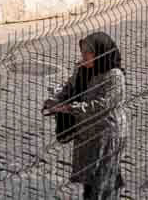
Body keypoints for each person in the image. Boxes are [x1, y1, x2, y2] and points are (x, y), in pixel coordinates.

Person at [44, 32, 125, 200]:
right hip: (87, 133)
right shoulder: (82, 69)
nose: (84, 56)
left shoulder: (114, 75)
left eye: (88, 53)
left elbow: (103, 105)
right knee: (92, 175)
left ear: (100, 53)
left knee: (101, 178)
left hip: (107, 133)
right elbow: (69, 89)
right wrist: (56, 100)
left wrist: (69, 108)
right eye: (83, 52)